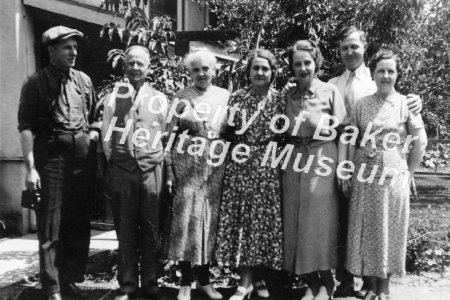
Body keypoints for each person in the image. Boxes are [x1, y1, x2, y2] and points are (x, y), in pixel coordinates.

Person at [328, 26, 423, 299]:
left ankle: (373, 286)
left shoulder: (375, 80)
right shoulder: (334, 82)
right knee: (351, 225)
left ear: (364, 48)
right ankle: (347, 280)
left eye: (354, 47)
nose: (349, 52)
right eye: (344, 47)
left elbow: (406, 117)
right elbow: (345, 130)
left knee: (381, 224)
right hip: (347, 163)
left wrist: (416, 102)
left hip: (387, 168)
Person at [18, 26, 100, 300]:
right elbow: (27, 128)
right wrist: (30, 168)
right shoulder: (35, 83)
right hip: (51, 157)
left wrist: (91, 137)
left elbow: (95, 117)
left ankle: (70, 280)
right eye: (67, 47)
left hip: (81, 158)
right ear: (51, 50)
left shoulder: (83, 81)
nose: (73, 52)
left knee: (77, 221)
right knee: (50, 224)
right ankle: (52, 288)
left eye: (75, 47)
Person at [214, 49, 284, 300]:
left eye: (265, 68)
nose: (260, 72)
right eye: (256, 68)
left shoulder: (279, 100)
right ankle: (244, 283)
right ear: (249, 71)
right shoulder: (237, 98)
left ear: (273, 73)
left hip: (267, 166)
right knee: (244, 223)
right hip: (240, 166)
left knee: (263, 224)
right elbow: (225, 132)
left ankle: (258, 278)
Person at [281, 40, 347, 300]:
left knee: (319, 224)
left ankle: (326, 283)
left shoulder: (329, 91)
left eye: (307, 62)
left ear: (315, 63)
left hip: (322, 157)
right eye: (297, 64)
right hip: (294, 159)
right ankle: (310, 281)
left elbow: (345, 132)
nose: (302, 68)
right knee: (294, 223)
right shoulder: (288, 94)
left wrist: (342, 165)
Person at [102, 45, 168, 300]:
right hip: (123, 171)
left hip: (152, 171)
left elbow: (164, 135)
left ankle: (151, 283)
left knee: (152, 229)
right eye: (130, 63)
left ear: (149, 66)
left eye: (140, 63)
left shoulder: (160, 99)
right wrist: (119, 161)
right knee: (126, 230)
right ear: (124, 65)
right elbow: (107, 137)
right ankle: (128, 285)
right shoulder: (112, 97)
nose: (135, 68)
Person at [165, 49, 230, 300]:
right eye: (196, 69)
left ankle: (205, 280)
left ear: (214, 70)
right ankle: (184, 281)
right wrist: (170, 172)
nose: (201, 73)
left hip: (215, 166)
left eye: (206, 68)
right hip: (187, 166)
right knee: (186, 221)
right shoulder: (180, 97)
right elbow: (169, 136)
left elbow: (233, 132)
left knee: (208, 222)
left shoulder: (225, 96)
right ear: (189, 72)